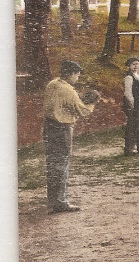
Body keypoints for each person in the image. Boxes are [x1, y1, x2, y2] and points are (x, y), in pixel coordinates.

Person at [43, 60, 100, 213]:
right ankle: (60, 202)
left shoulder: (53, 84)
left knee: (52, 164)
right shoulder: (68, 90)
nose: (77, 78)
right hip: (62, 128)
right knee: (62, 164)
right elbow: (82, 110)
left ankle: (53, 200)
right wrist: (92, 102)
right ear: (70, 74)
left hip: (49, 126)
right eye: (77, 75)